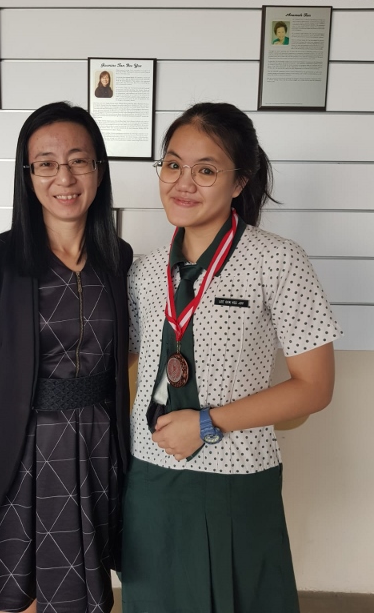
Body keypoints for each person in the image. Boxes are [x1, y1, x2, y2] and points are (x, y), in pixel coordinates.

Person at [122, 102, 341, 613]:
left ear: (240, 181)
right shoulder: (142, 272)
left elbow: (315, 388)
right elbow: (124, 363)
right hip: (149, 475)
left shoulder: (278, 260)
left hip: (237, 478)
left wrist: (206, 422)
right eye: (173, 164)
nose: (183, 183)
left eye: (206, 170)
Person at [0, 101, 133, 613]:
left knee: (81, 595)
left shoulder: (119, 258)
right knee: (16, 598)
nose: (64, 177)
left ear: (99, 170)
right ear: (27, 175)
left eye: (79, 160)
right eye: (46, 163)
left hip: (98, 452)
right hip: (19, 454)